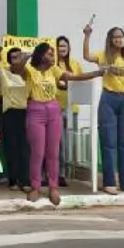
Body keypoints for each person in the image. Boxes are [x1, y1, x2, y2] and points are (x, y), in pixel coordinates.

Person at [21, 42, 103, 205]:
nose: (53, 57)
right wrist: (27, 57)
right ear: (41, 54)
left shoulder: (54, 70)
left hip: (53, 110)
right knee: (38, 152)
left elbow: (73, 77)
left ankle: (53, 187)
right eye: (50, 54)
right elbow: (17, 68)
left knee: (53, 152)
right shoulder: (30, 70)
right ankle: (35, 187)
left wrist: (97, 73)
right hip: (35, 110)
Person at [84, 25, 124, 195]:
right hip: (108, 99)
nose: (119, 39)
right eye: (116, 37)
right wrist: (87, 36)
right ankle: (109, 182)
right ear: (110, 40)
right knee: (108, 143)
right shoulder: (103, 55)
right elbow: (87, 56)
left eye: (122, 36)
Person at [0, 46, 31, 192]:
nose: (18, 59)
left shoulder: (27, 71)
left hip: (26, 112)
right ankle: (13, 180)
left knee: (24, 148)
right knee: (10, 148)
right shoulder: (2, 71)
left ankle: (25, 180)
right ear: (9, 61)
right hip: (9, 113)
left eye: (20, 56)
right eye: (14, 58)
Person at [54, 35, 81, 187]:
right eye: (59, 47)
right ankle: (60, 174)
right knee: (59, 144)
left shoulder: (75, 64)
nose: (62, 49)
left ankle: (68, 173)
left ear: (69, 48)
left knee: (70, 144)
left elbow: (80, 80)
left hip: (73, 109)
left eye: (64, 46)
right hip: (57, 109)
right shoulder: (53, 66)